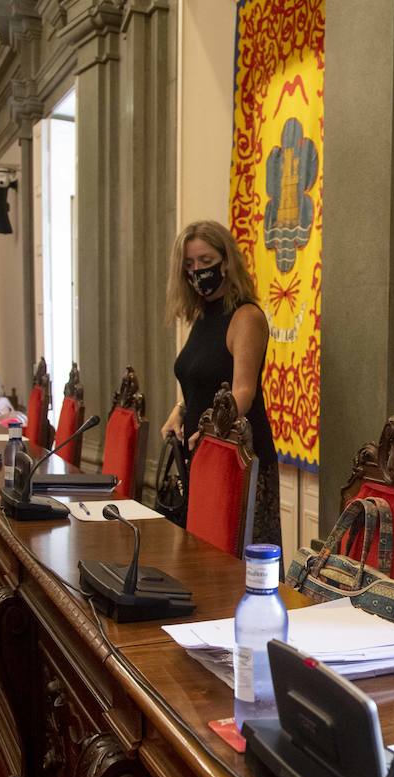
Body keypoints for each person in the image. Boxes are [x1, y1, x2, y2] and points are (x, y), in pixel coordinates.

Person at [160, 220, 281, 546]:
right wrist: (181, 409)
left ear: (226, 262)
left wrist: (213, 430)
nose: (197, 271)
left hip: (236, 454)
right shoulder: (202, 314)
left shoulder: (246, 317)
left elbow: (243, 389)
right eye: (189, 265)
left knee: (236, 565)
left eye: (205, 262)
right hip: (202, 451)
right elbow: (204, 377)